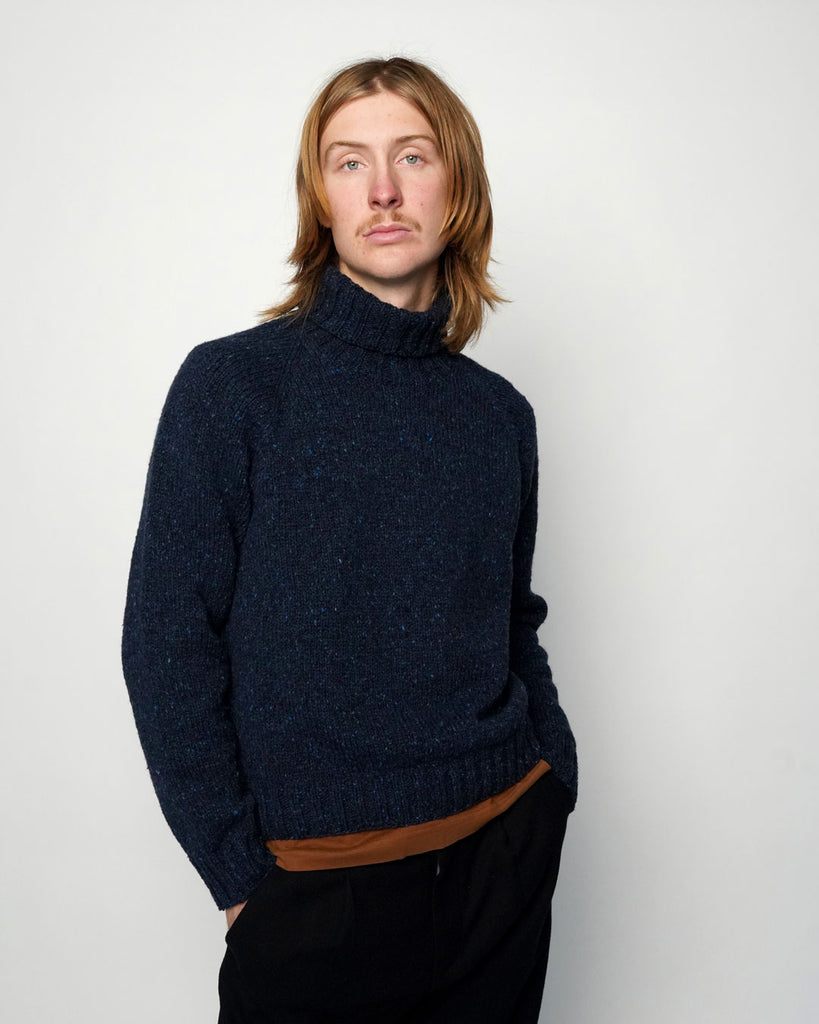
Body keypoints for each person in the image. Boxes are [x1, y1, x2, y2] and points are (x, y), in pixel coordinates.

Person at [121, 55, 578, 1023]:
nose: (382, 190)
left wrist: (553, 781)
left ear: (457, 185)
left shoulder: (498, 414)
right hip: (315, 889)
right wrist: (239, 877)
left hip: (501, 851)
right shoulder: (233, 387)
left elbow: (510, 618)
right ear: (320, 199)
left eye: (412, 156)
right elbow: (166, 640)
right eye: (348, 162)